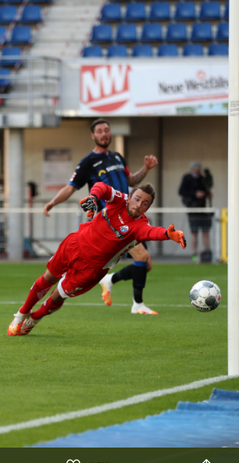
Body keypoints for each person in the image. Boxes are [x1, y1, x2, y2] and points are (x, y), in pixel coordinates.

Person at [9, 182, 187, 336]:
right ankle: (21, 314)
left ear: (147, 208)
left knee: (58, 295)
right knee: (48, 277)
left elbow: (152, 232)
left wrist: (167, 234)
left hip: (92, 269)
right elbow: (102, 187)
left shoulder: (140, 225)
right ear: (130, 196)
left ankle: (34, 319)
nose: (139, 204)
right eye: (137, 198)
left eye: (145, 203)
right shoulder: (120, 200)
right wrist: (94, 197)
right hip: (75, 245)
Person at [43, 118, 161, 315]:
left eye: (107, 130)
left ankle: (110, 280)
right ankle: (138, 305)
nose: (104, 134)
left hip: (130, 217)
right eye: (100, 131)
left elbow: (132, 181)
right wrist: (53, 202)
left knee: (146, 265)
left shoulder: (117, 157)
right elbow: (71, 187)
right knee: (142, 256)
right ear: (93, 135)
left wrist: (146, 169)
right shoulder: (88, 162)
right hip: (110, 221)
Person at [178, 161, 214, 263]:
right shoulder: (187, 178)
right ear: (192, 169)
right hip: (192, 209)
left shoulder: (202, 179)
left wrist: (207, 194)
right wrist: (195, 194)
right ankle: (194, 254)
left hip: (203, 209)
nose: (197, 172)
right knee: (194, 233)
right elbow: (181, 191)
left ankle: (207, 253)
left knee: (205, 231)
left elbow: (207, 188)